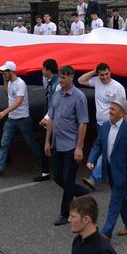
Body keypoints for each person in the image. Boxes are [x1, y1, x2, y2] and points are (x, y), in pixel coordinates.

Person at [86, 95, 127, 238]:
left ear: (122, 113)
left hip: (122, 172)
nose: (110, 111)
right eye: (110, 108)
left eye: (113, 109)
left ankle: (106, 232)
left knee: (115, 202)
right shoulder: (105, 127)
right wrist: (91, 159)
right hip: (109, 170)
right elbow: (98, 144)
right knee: (122, 198)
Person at [44, 65, 91, 226]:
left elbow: (83, 123)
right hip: (57, 143)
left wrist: (79, 147)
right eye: (60, 77)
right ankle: (81, 191)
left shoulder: (79, 97)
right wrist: (47, 141)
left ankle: (65, 214)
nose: (61, 80)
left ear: (71, 77)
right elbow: (51, 118)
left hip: (71, 145)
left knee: (68, 179)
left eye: (64, 77)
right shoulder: (57, 94)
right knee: (58, 177)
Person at [0, 61, 46, 180]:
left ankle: (41, 164)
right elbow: (9, 94)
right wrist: (5, 82)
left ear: (12, 71)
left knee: (31, 142)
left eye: (5, 72)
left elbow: (18, 101)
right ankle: (0, 169)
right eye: (2, 72)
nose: (3, 74)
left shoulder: (20, 83)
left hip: (23, 119)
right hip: (11, 119)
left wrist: (4, 111)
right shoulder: (10, 82)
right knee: (4, 144)